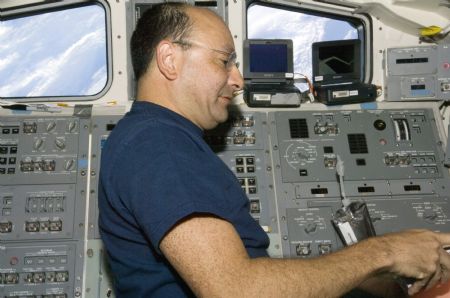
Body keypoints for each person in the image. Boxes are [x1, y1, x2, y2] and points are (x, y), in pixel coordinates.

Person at [98, 3, 450, 297]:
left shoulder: (157, 138)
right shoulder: (158, 147)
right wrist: (383, 253)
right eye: (224, 61)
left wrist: (367, 275)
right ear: (169, 59)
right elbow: (234, 289)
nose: (237, 80)